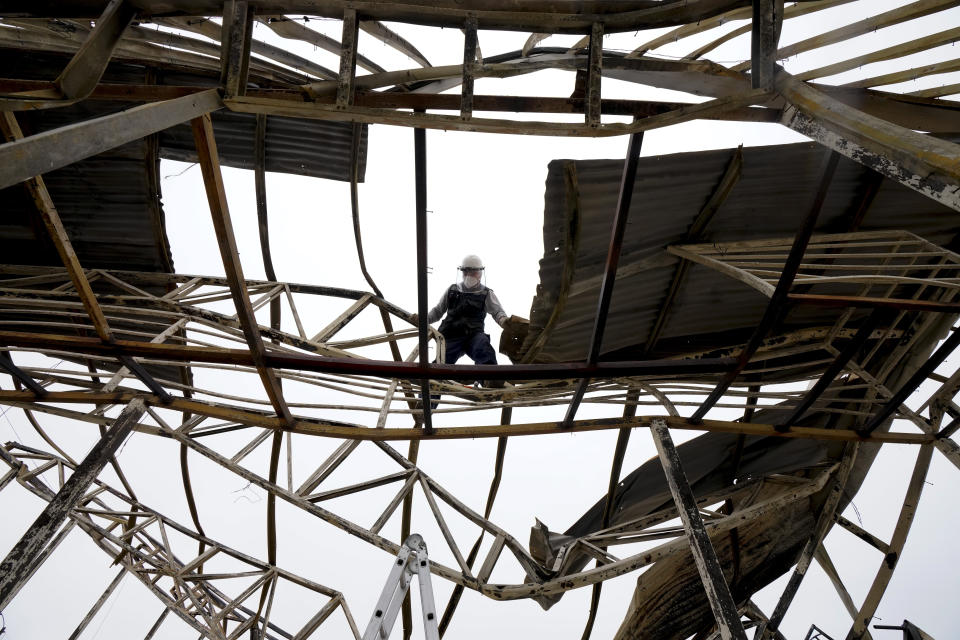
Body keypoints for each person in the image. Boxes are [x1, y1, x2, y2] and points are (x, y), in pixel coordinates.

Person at [413, 254, 508, 369]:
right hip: (451, 335)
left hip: (473, 335)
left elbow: (497, 311)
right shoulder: (452, 290)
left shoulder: (486, 294)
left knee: (483, 347)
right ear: (462, 273)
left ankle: (490, 378)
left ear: (479, 273)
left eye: (472, 272)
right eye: (466, 272)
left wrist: (504, 321)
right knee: (443, 361)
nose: (469, 275)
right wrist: (424, 319)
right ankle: (434, 380)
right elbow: (438, 311)